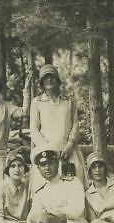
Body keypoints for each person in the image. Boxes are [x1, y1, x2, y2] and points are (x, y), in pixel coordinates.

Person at [30, 64, 87, 193]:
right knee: (48, 190)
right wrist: (48, 150)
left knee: (72, 188)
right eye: (46, 78)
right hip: (46, 154)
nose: (49, 80)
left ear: (57, 80)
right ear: (42, 82)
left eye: (52, 77)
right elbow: (34, 130)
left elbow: (75, 125)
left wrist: (70, 145)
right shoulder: (37, 102)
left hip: (68, 152)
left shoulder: (69, 101)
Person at [26, 147, 87, 223]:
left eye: (50, 163)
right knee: (43, 220)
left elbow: (77, 209)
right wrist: (37, 217)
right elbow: (32, 216)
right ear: (38, 169)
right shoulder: (40, 191)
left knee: (48, 218)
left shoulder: (72, 183)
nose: (47, 168)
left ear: (57, 164)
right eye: (43, 165)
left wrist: (52, 213)